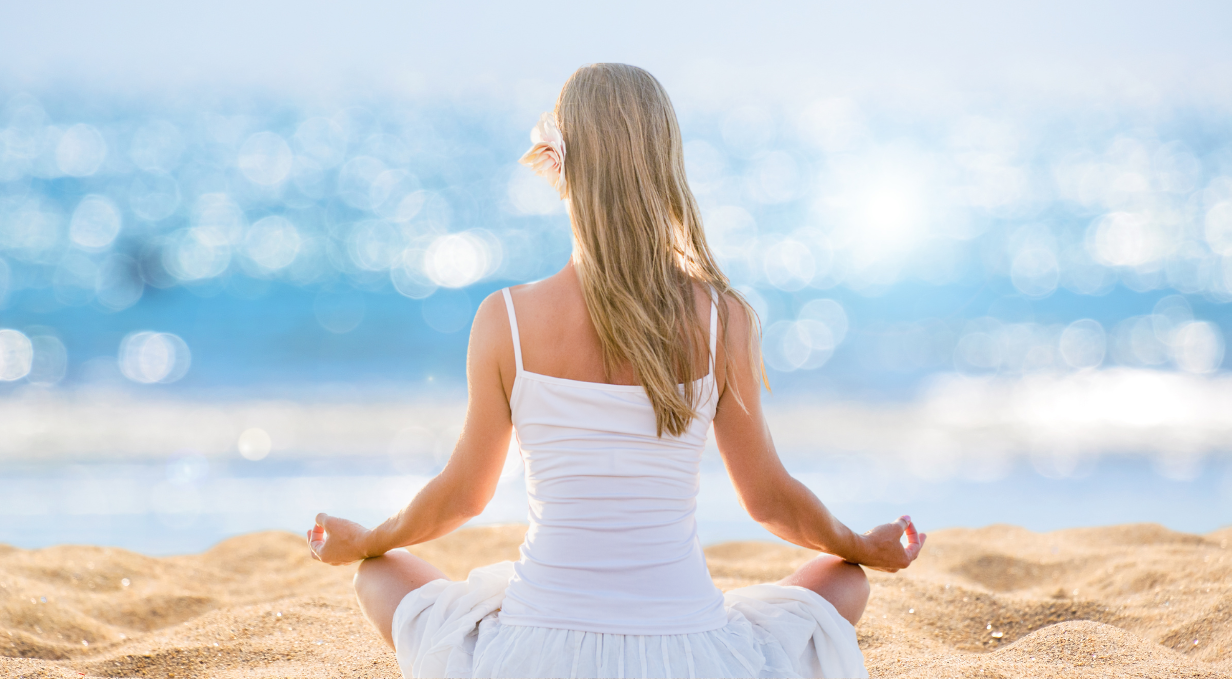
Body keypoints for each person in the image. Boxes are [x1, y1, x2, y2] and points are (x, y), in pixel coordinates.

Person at [306, 63, 925, 679]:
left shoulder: (507, 320)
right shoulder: (723, 318)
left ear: (561, 165)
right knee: (840, 582)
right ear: (665, 164)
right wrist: (858, 547)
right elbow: (769, 502)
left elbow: (463, 496)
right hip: (689, 653)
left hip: (532, 655)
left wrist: (369, 539)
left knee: (382, 573)